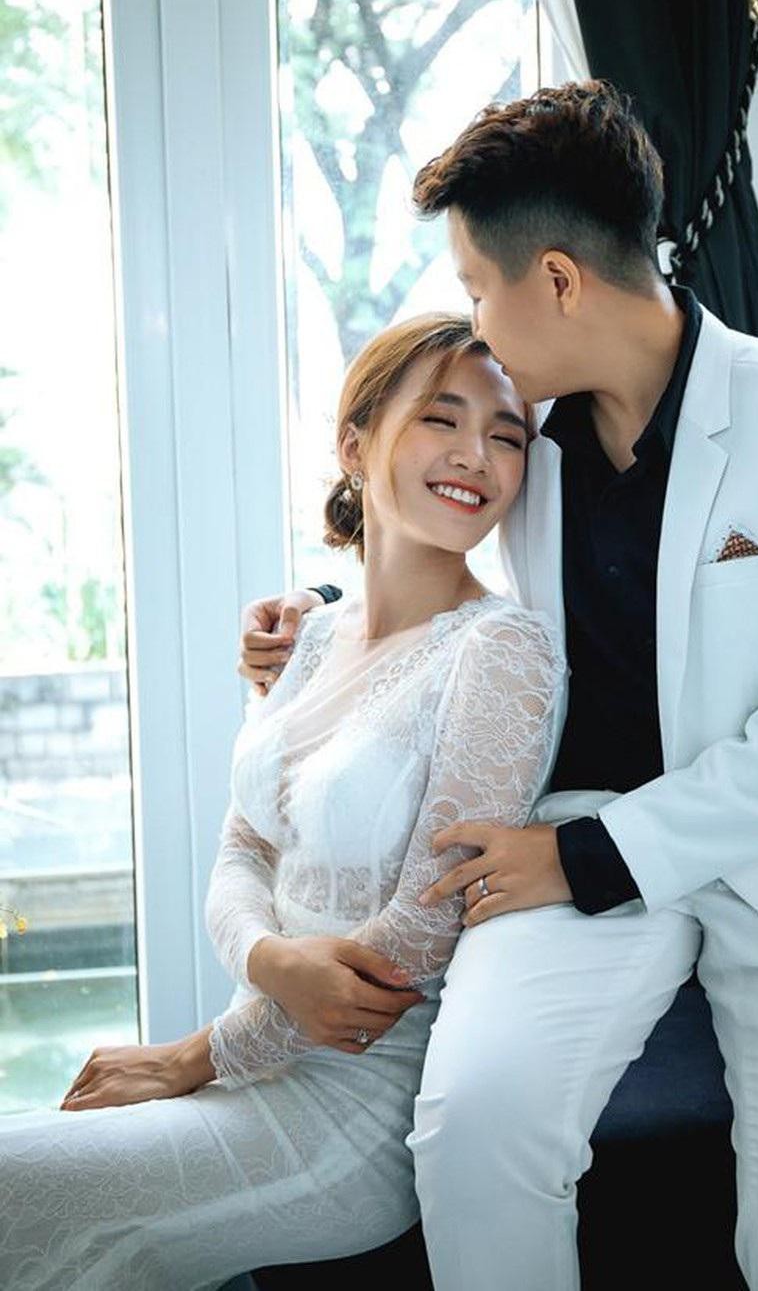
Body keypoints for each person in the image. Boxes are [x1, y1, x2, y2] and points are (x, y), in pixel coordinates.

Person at [245, 80, 758, 1290]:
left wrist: (585, 860)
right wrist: (320, 617)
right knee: (472, 1131)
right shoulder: (530, 438)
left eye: (478, 288)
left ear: (558, 280)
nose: (476, 321)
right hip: (577, 843)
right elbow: (452, 565)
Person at [0, 313, 565, 1290]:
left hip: (349, 1113)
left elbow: (420, 932)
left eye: (506, 435)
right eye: (441, 419)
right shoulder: (308, 638)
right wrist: (264, 961)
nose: (476, 455)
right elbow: (242, 850)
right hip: (246, 1062)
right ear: (355, 444)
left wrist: (192, 1058)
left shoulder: (502, 649)